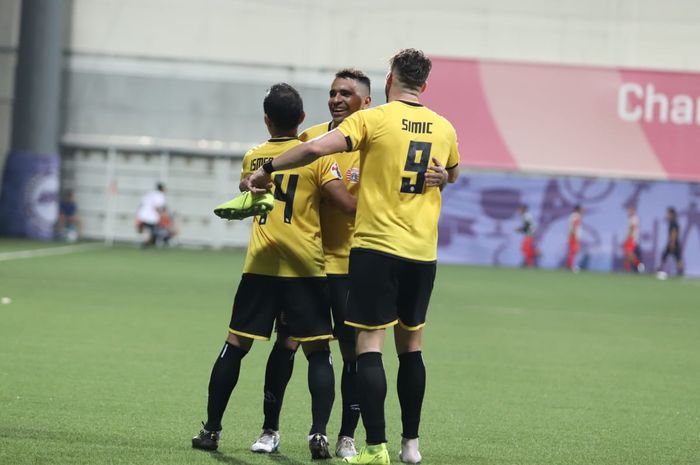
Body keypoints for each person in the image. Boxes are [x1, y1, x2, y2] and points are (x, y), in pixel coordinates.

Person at [245, 49, 460, 465]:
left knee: (367, 348)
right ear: (425, 85)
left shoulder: (374, 119)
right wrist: (444, 178)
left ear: (387, 81)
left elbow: (310, 152)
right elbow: (451, 170)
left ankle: (373, 446)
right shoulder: (445, 127)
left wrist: (266, 168)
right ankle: (410, 447)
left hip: (375, 249)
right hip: (422, 252)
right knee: (412, 347)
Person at [191, 83, 357, 460]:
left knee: (236, 345)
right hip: (306, 267)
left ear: (266, 119)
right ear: (302, 120)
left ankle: (211, 429)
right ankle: (318, 436)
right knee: (317, 353)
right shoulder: (316, 157)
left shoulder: (253, 158)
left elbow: (250, 194)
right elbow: (344, 203)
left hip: (261, 265)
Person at [250, 68, 372, 459]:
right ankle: (270, 429)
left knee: (352, 352)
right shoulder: (310, 139)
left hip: (355, 265)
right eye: (333, 92)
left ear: (365, 102)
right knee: (286, 343)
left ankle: (344, 435)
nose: (337, 99)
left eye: (347, 94)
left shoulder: (377, 142)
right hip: (310, 267)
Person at [136, 182, 166, 247]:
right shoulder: (160, 195)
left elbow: (142, 203)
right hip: (151, 216)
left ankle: (145, 242)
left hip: (143, 214)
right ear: (162, 189)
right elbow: (157, 207)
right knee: (150, 230)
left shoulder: (150, 193)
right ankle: (147, 242)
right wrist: (162, 214)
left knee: (145, 229)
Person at [658, 207, 684, 276]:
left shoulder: (673, 223)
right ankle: (662, 270)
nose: (667, 215)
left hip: (673, 243)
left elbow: (674, 233)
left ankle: (680, 272)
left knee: (677, 258)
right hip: (673, 243)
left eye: (668, 214)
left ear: (671, 214)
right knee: (668, 256)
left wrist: (672, 243)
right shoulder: (673, 222)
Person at [622, 206, 642, 272]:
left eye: (630, 210)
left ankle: (640, 267)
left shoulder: (633, 219)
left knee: (630, 255)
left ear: (634, 211)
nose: (628, 212)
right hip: (631, 239)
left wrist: (627, 239)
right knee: (627, 255)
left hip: (631, 239)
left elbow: (632, 229)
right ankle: (627, 270)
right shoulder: (632, 218)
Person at [566, 205, 582, 271]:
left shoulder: (573, 216)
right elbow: (574, 226)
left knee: (573, 251)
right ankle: (571, 266)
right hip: (573, 236)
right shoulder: (576, 216)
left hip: (572, 235)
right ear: (578, 209)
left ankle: (570, 265)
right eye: (581, 209)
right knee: (573, 251)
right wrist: (575, 236)